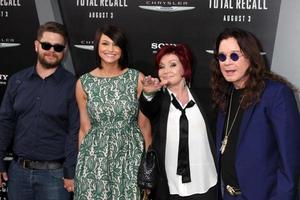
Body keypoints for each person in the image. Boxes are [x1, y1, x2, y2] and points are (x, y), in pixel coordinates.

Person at [210, 27, 300, 199]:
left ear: (250, 57)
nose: (227, 62)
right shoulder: (225, 94)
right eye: (222, 57)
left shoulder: (276, 94)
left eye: (234, 55)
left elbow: (290, 163)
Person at [0, 21, 79, 199]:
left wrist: (70, 171)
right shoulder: (17, 81)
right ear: (37, 45)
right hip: (18, 173)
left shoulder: (72, 85)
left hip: (55, 177)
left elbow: (75, 131)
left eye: (58, 47)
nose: (51, 50)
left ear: (64, 51)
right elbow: (5, 123)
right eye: (46, 45)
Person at [74, 24, 152, 200]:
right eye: (105, 44)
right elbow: (84, 128)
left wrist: (147, 168)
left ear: (122, 49)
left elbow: (145, 126)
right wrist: (81, 166)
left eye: (115, 44)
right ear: (97, 47)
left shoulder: (136, 78)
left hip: (129, 159)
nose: (110, 49)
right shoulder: (84, 83)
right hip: (94, 162)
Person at [140, 44, 218, 200]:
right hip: (170, 187)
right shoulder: (158, 100)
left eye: (173, 65)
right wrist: (148, 94)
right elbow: (148, 106)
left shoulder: (206, 98)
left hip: (206, 181)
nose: (166, 70)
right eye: (161, 66)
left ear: (185, 68)